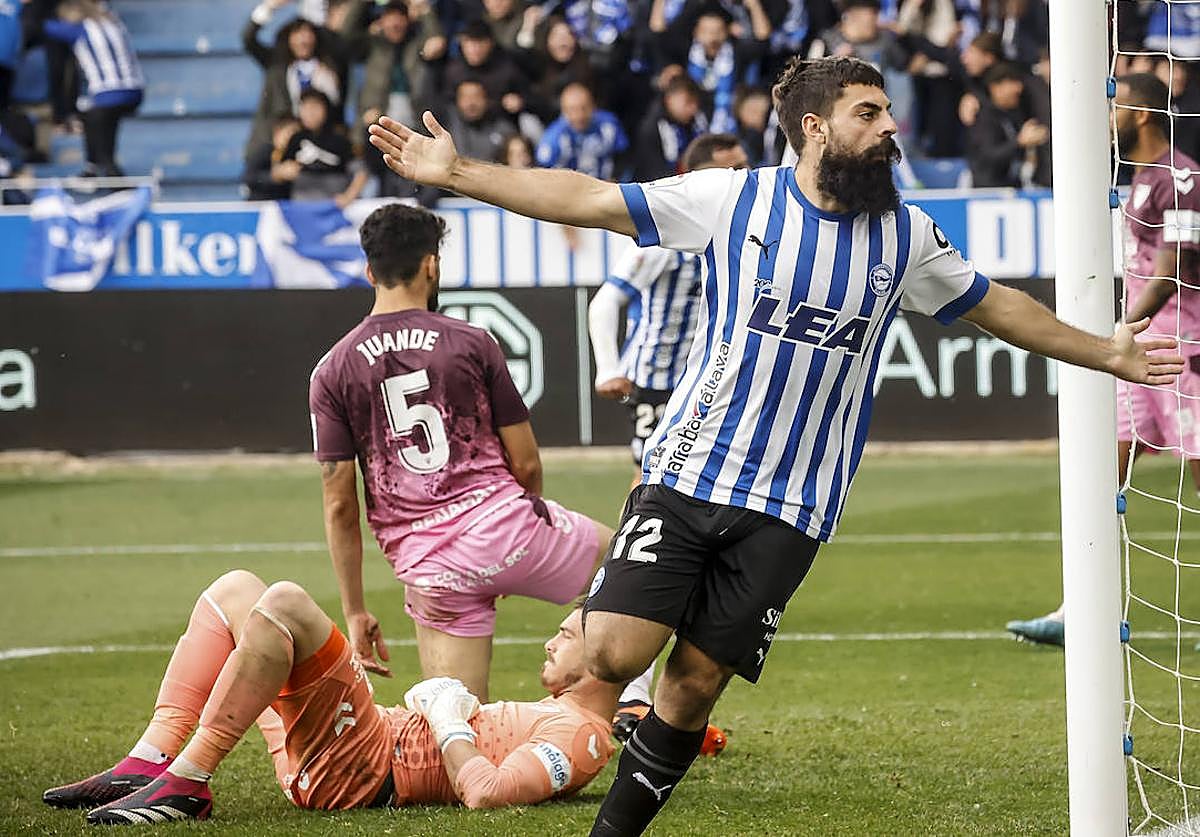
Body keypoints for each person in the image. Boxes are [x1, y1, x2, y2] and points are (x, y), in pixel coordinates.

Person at [367, 55, 1182, 837]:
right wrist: (459, 173)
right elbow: (588, 196)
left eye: (890, 110)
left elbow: (997, 307)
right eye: (871, 113)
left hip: (794, 507)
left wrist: (1105, 353)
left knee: (692, 687)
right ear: (815, 125)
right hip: (687, 473)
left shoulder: (906, 237)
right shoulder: (734, 201)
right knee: (609, 656)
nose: (891, 127)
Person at [309, 203, 612, 702]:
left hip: (430, 567)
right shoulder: (471, 342)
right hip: (508, 529)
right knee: (633, 569)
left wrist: (356, 610)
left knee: (454, 720)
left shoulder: (332, 369)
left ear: (369, 271)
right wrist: (523, 530)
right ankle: (593, 694)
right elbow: (527, 463)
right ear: (432, 264)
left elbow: (340, 503)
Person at [41, 571, 619, 823]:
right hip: (357, 746)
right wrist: (437, 704)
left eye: (565, 636)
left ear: (601, 654)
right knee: (236, 591)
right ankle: (151, 761)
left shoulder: (582, 736)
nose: (549, 641)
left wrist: (447, 719)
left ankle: (188, 784)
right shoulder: (567, 718)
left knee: (287, 601)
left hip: (366, 767)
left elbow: (489, 796)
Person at [1007, 73, 1200, 647]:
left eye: (1116, 104)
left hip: (1177, 345)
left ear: (1141, 115)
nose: (1106, 114)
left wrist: (1125, 326)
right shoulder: (1137, 179)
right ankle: (1079, 611)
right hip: (1136, 347)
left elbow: (1172, 263)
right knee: (1102, 466)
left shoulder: (1180, 176)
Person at [40, 0, 144, 177]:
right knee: (95, 115)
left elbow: (44, 27)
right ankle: (94, 167)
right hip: (135, 90)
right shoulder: (113, 21)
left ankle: (108, 170)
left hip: (109, 93)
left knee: (95, 117)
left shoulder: (78, 29)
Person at [966, 62, 1050, 188]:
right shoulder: (983, 117)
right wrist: (1019, 142)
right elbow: (988, 155)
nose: (1018, 88)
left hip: (1014, 188)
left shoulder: (1014, 114)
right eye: (1012, 82)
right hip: (988, 192)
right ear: (995, 87)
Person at [280, 89, 368, 204]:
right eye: (305, 107)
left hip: (334, 203)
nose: (310, 113)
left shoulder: (339, 140)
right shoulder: (295, 139)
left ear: (325, 110)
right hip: (301, 204)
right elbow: (278, 171)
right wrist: (283, 171)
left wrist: (348, 196)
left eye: (314, 107)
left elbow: (361, 172)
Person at [536, 82, 628, 180]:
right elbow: (544, 173)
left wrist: (615, 180)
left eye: (584, 108)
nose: (579, 115)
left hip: (606, 186)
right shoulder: (553, 138)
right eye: (573, 109)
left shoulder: (608, 124)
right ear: (563, 111)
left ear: (593, 106)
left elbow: (622, 156)